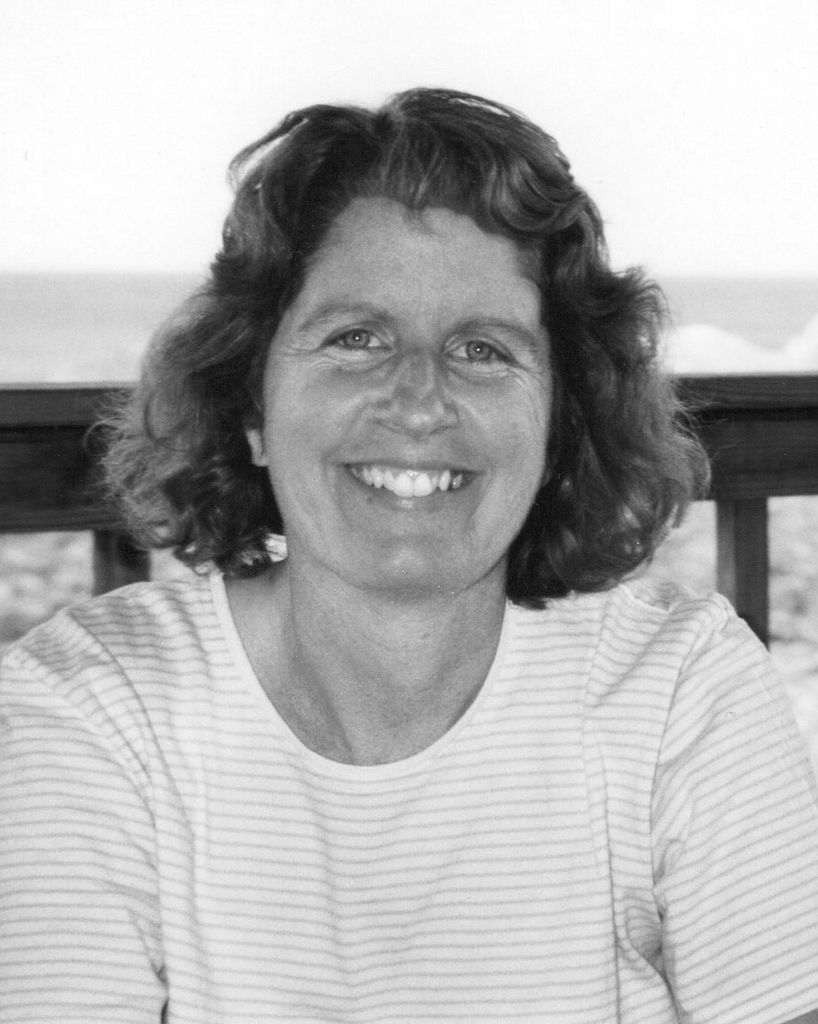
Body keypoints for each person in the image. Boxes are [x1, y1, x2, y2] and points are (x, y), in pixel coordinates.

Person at [1, 88, 817, 1024]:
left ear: (560, 421)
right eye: (356, 339)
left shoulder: (679, 688)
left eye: (483, 349)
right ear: (252, 406)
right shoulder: (95, 705)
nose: (421, 401)